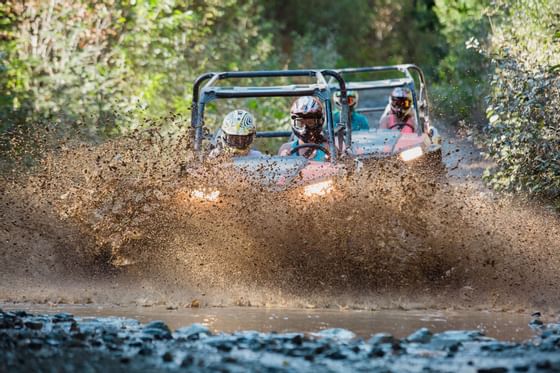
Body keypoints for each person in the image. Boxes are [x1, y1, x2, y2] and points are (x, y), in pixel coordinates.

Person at [278, 96, 330, 161]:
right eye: (300, 123)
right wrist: (283, 160)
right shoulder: (286, 149)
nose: (305, 127)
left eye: (310, 122)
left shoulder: (329, 149)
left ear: (319, 122)